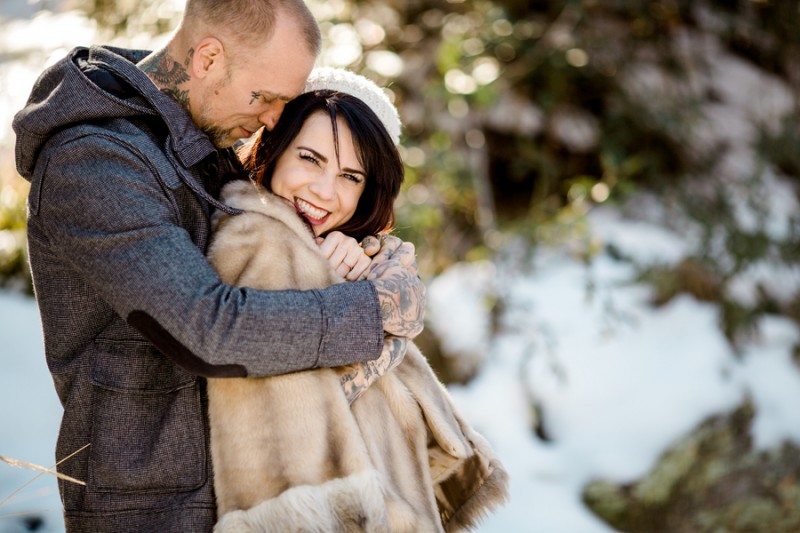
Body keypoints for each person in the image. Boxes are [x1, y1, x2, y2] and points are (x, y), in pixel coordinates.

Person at [12, 1, 425, 531]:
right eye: (268, 98)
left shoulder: (198, 136)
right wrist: (373, 308)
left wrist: (369, 255)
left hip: (242, 489)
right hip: (156, 506)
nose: (275, 119)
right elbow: (209, 329)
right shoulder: (95, 159)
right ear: (207, 58)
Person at [205, 67, 509, 533]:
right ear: (274, 146)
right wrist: (372, 313)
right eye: (310, 158)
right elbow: (287, 404)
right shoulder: (261, 240)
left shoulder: (334, 247)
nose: (325, 192)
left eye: (351, 176)